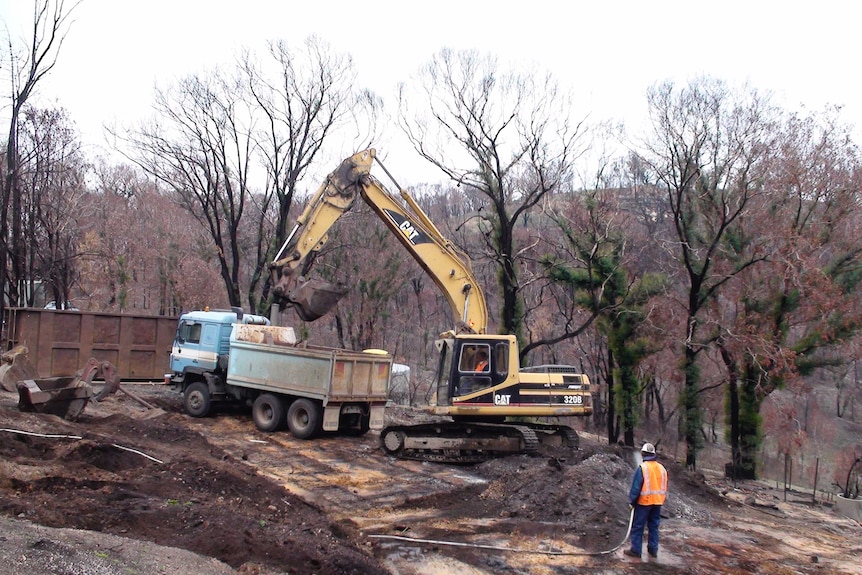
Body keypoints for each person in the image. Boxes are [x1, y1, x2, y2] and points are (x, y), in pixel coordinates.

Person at [624, 442, 668, 559]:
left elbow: (636, 487)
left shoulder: (642, 468)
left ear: (643, 454)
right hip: (657, 502)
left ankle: (636, 550)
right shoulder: (662, 468)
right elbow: (663, 486)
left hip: (644, 503)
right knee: (653, 526)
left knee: (638, 526)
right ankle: (653, 550)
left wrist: (632, 502)